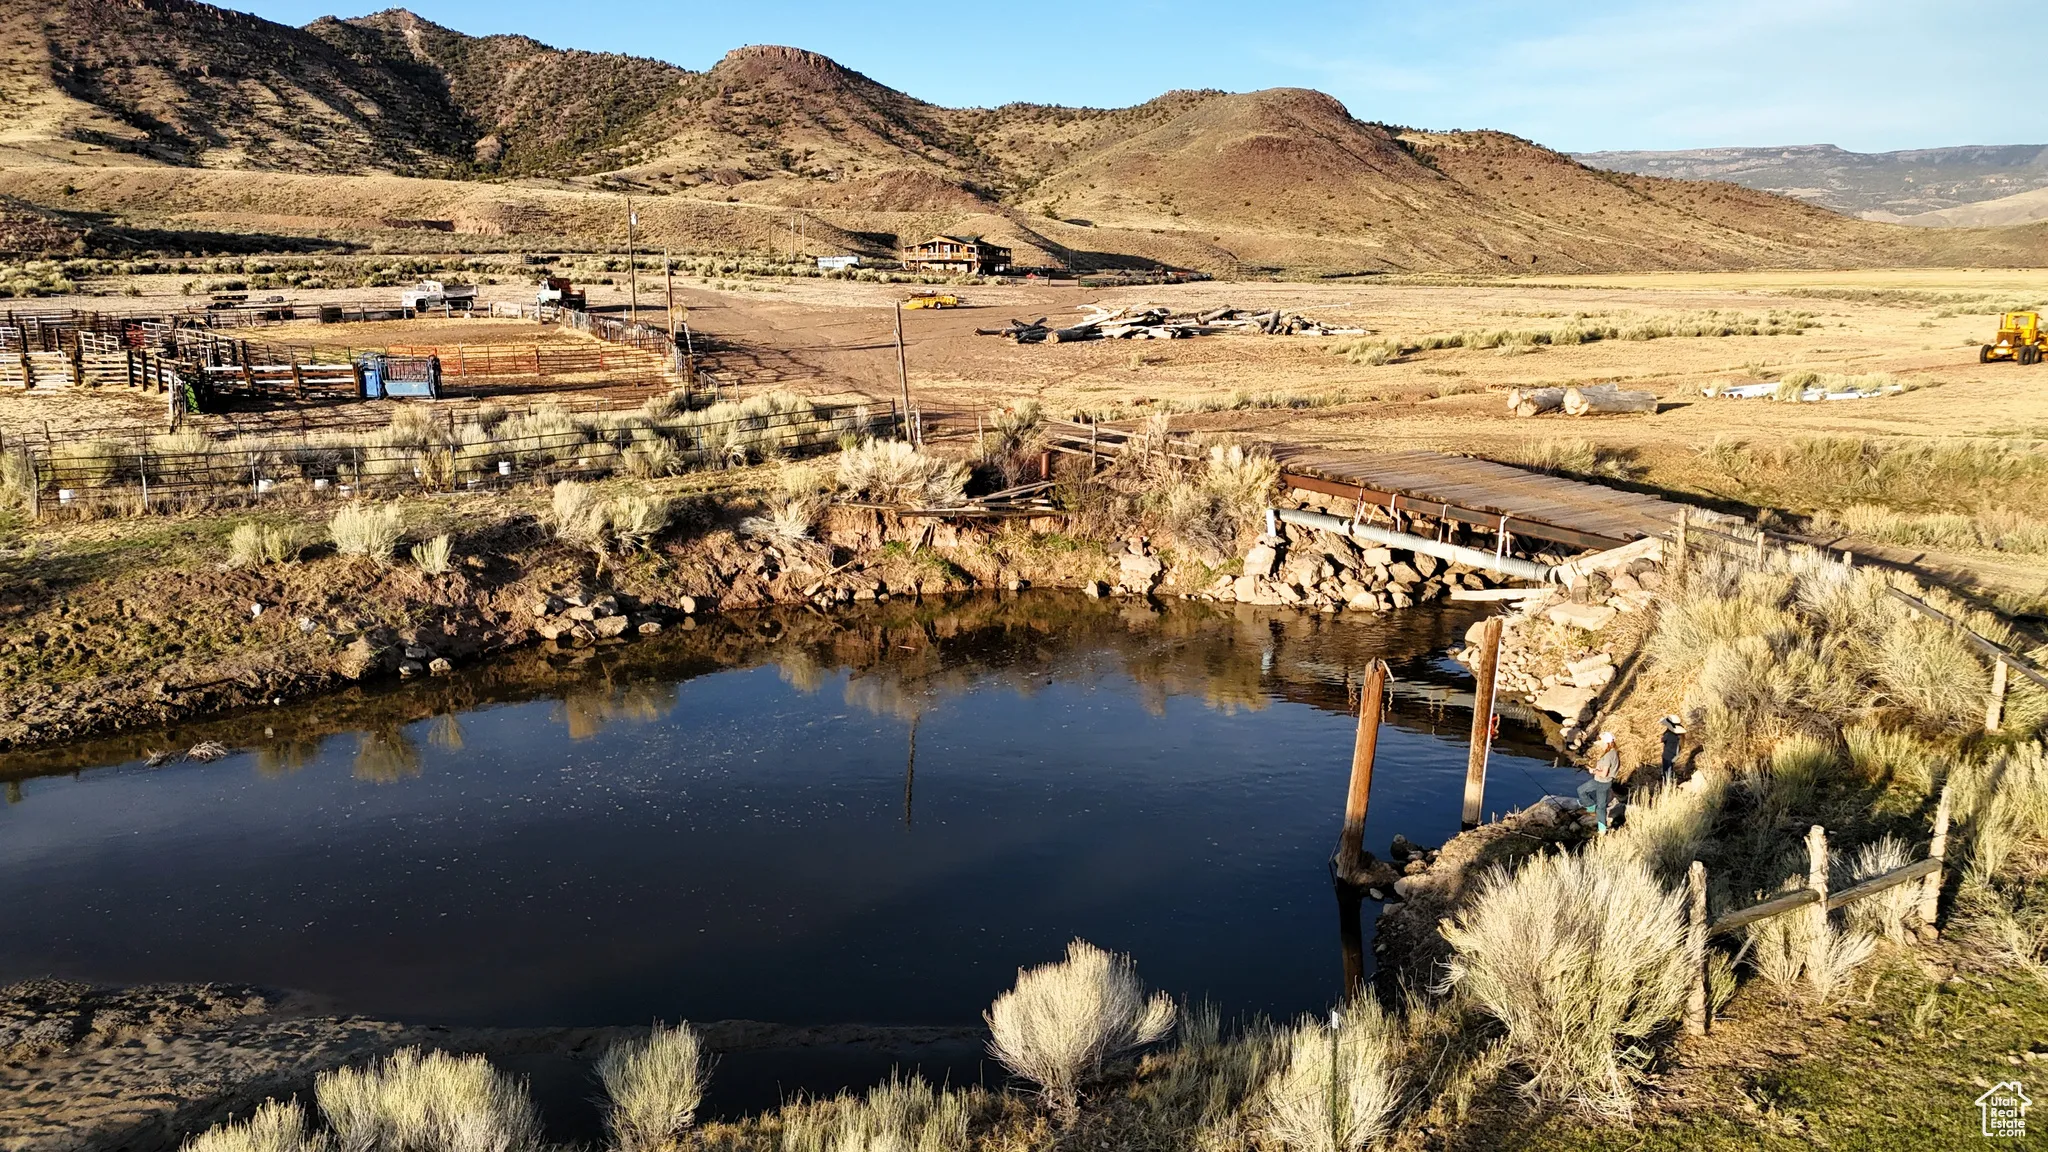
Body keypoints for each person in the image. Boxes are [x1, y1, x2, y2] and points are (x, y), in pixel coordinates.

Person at [1578, 732, 1620, 833]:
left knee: (1581, 790)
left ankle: (1591, 807)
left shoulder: (1607, 756)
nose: (1600, 744)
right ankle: (1602, 829)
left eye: (1601, 742)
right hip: (1607, 782)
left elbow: (1604, 773)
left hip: (1601, 782)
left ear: (1606, 743)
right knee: (1601, 807)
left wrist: (1593, 771)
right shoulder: (1614, 753)